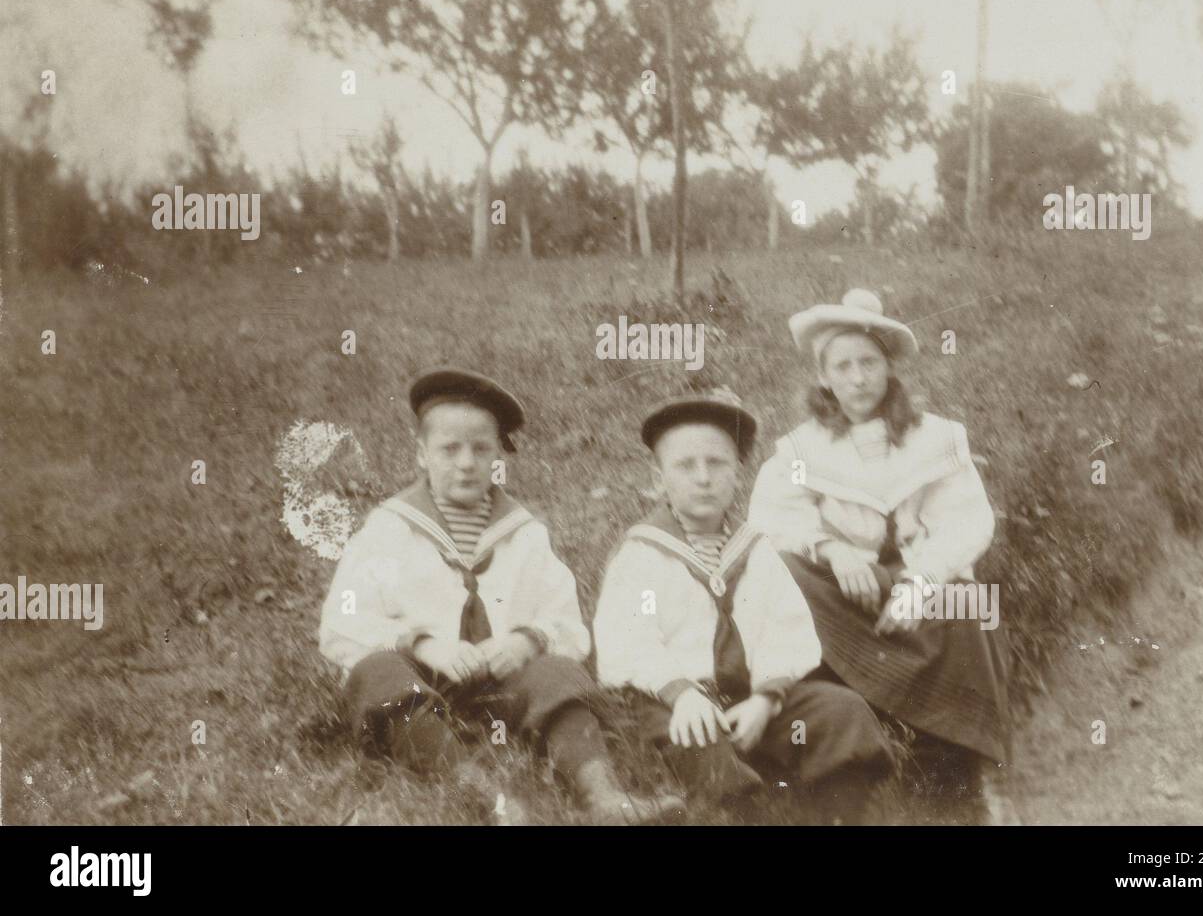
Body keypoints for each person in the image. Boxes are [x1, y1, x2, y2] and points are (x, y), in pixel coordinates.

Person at [319, 367, 683, 825]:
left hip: (504, 688)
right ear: (421, 454)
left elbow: (566, 621)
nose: (467, 463)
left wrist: (526, 641)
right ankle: (489, 799)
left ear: (498, 456)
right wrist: (423, 644)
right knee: (376, 673)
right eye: (449, 449)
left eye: (481, 449)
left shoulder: (524, 533)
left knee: (558, 671)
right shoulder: (389, 529)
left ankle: (602, 794)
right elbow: (341, 624)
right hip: (421, 689)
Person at [748, 290, 1012, 824]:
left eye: (869, 363)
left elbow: (966, 520)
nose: (857, 378)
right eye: (841, 366)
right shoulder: (803, 448)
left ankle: (961, 769)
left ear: (889, 369)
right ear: (823, 377)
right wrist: (831, 549)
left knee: (967, 603)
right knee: (788, 574)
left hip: (914, 577)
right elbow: (770, 517)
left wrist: (921, 582)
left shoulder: (932, 437)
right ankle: (842, 745)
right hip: (847, 586)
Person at [594, 389, 894, 824]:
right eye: (685, 466)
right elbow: (629, 640)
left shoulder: (756, 549)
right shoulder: (643, 553)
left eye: (717, 463)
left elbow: (786, 629)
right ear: (657, 479)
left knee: (838, 710)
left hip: (754, 702)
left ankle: (835, 812)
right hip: (678, 703)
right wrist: (680, 694)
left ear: (738, 472)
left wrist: (767, 699)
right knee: (698, 742)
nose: (703, 478)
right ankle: (739, 805)